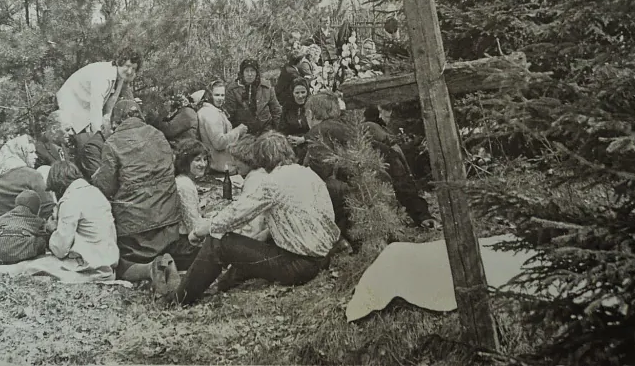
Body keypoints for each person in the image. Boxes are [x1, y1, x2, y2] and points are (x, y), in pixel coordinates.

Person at [168, 132, 340, 306]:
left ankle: (179, 299)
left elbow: (237, 214)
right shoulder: (308, 174)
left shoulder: (272, 182)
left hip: (299, 265)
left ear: (261, 159)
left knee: (217, 243)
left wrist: (202, 229)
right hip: (322, 257)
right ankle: (222, 285)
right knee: (245, 246)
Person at [302, 92, 438, 231]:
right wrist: (421, 213)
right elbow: (394, 166)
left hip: (354, 201)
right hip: (380, 196)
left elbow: (319, 175)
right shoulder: (355, 128)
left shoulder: (317, 134)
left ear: (310, 113)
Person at [91, 99, 191, 287]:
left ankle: (151, 268)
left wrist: (96, 176)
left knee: (119, 264)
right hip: (168, 220)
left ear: (116, 121)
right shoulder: (159, 135)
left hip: (135, 226)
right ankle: (168, 260)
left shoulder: (113, 143)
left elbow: (106, 186)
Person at [0, 135, 55, 262]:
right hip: (23, 244)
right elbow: (48, 209)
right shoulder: (32, 175)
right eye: (31, 152)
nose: (35, 156)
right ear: (21, 153)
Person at [44, 161, 120, 281]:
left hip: (87, 269)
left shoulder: (70, 199)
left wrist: (53, 229)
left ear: (59, 184)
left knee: (32, 267)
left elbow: (60, 249)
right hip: (108, 264)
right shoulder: (95, 192)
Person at [55, 48, 141, 138]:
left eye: (134, 68)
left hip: (83, 108)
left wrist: (106, 128)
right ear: (119, 61)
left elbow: (109, 107)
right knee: (77, 139)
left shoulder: (119, 77)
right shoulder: (104, 75)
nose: (130, 71)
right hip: (69, 104)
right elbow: (96, 108)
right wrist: (98, 137)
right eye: (127, 66)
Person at [0, 189, 49, 264]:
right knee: (42, 239)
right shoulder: (37, 220)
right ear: (36, 208)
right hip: (21, 253)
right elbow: (42, 234)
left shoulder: (3, 217)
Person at [197, 80, 248, 173]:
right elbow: (219, 143)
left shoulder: (213, 111)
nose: (220, 98)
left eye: (222, 95)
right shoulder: (210, 113)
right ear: (209, 95)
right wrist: (238, 131)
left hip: (219, 163)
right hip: (219, 165)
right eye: (216, 95)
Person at [226, 59, 282, 137]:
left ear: (257, 73)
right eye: (247, 71)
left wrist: (278, 133)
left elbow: (276, 111)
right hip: (243, 133)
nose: (250, 74)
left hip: (265, 130)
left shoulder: (266, 87)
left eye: (252, 71)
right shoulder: (233, 90)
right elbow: (229, 116)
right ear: (242, 73)